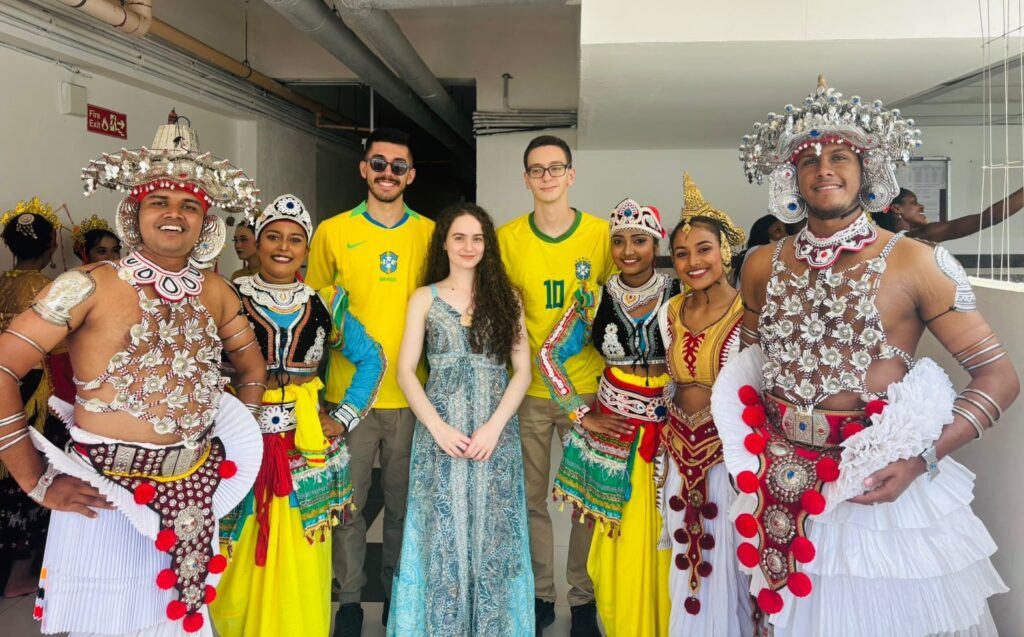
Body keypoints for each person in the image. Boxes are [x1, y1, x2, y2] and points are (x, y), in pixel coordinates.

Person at [715, 76, 1018, 635]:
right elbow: (749, 367)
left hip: (876, 483)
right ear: (791, 177)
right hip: (778, 479)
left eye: (839, 156)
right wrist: (744, 458)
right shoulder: (760, 263)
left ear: (866, 170)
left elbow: (998, 377)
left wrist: (922, 460)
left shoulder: (917, 261)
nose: (823, 169)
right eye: (809, 160)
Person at [0, 113, 266, 636]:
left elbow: (252, 367)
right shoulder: (87, 285)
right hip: (102, 493)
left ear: (206, 221)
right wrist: (35, 479)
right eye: (159, 201)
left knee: (180, 623)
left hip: (195, 490)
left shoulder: (217, 292)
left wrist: (236, 437)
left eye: (190, 205)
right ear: (134, 212)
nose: (174, 214)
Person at [211, 195, 384, 637]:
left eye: (294, 240)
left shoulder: (325, 304)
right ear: (256, 244)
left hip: (305, 445)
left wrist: (344, 417)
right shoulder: (228, 298)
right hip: (240, 440)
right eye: (273, 237)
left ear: (306, 250)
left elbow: (372, 358)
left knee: (304, 549)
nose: (283, 247)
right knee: (236, 546)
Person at [306, 127, 434, 635]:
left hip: (413, 398)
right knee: (349, 507)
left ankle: (399, 597)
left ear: (411, 175)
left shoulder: (430, 233)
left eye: (398, 166)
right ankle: (350, 601)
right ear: (364, 168)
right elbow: (313, 311)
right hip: (349, 401)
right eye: (378, 163)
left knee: (404, 508)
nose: (387, 173)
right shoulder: (333, 231)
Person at [388, 203, 533, 636]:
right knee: (441, 529)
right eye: (459, 237)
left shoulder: (507, 298)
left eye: (477, 238)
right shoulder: (424, 298)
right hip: (440, 432)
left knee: (495, 530)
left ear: (487, 245)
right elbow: (405, 371)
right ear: (444, 244)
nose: (469, 246)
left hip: (495, 432)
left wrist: (494, 427)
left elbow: (522, 371)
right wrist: (437, 428)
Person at [537, 198, 676, 637]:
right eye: (619, 241)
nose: (628, 251)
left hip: (672, 433)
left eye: (639, 240)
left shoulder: (680, 295)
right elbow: (548, 355)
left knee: (670, 528)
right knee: (613, 536)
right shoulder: (593, 300)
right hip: (615, 434)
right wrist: (580, 414)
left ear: (656, 245)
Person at [497, 134, 614, 636]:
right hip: (526, 393)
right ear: (526, 179)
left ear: (571, 175)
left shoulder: (602, 235)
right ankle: (540, 593)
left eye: (555, 167)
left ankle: (582, 598)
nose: (547, 176)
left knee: (587, 500)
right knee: (529, 501)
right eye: (537, 169)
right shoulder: (506, 239)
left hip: (586, 392)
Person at [656, 175, 753, 636]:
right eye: (681, 253)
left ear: (724, 251)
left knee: (729, 552)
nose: (693, 262)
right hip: (678, 449)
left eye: (703, 249)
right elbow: (669, 381)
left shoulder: (749, 312)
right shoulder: (669, 312)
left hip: (729, 453)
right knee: (685, 552)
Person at [0, 198, 65, 599]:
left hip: (4, 389)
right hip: (35, 391)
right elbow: (61, 347)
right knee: (37, 471)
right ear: (52, 244)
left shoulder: (1, 283)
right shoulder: (49, 289)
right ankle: (21, 573)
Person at [872, 186, 1024, 244]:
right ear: (897, 208)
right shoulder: (920, 236)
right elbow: (989, 218)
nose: (922, 206)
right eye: (914, 202)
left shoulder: (884, 241)